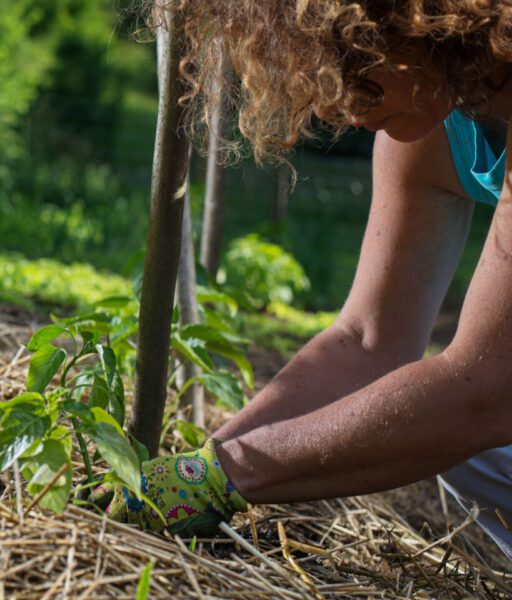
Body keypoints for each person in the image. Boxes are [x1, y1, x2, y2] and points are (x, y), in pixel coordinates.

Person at [100, 0, 512, 560]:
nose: (332, 101)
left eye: (350, 59)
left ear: (426, 26)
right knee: (457, 443)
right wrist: (200, 465)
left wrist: (229, 476)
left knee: (455, 421)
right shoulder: (433, 133)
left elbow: (486, 390)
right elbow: (367, 341)